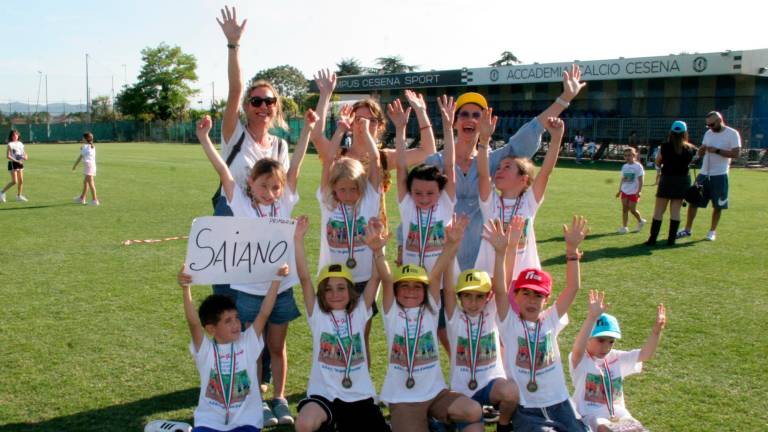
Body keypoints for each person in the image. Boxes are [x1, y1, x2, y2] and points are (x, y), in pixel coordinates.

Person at [196, 108, 313, 426]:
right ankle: (257, 402)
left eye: (275, 187)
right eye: (264, 187)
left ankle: (279, 398)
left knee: (278, 346)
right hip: (248, 291)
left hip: (282, 289)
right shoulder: (242, 203)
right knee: (254, 348)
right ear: (251, 183)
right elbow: (223, 171)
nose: (271, 193)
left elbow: (298, 163)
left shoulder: (285, 200)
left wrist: (307, 131)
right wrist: (205, 138)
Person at [423, 64, 585, 272]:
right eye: (464, 114)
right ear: (454, 122)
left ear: (486, 122)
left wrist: (563, 100)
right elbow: (415, 206)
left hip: (482, 260)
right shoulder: (435, 163)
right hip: (442, 256)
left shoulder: (493, 161)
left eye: (477, 115)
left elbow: (531, 132)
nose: (471, 119)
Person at [216, 7, 294, 421]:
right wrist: (234, 45)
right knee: (235, 306)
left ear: (277, 107)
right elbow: (233, 89)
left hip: (268, 232)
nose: (263, 106)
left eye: (270, 101)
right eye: (257, 101)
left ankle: (267, 382)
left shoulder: (280, 146)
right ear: (248, 106)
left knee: (271, 303)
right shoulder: (235, 134)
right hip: (231, 223)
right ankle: (234, 377)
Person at [377, 215, 484, 432]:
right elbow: (387, 280)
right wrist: (378, 251)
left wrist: (451, 244)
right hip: (403, 398)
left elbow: (435, 277)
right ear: (396, 291)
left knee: (473, 411)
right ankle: (431, 424)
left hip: (436, 393)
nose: (410, 291)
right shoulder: (392, 313)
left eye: (417, 287)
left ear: (424, 292)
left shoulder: (431, 310)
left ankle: (436, 421)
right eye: (404, 286)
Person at [292, 216, 389, 432]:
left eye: (341, 288)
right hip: (324, 394)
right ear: (321, 295)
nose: (335, 294)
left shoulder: (359, 312)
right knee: (305, 424)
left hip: (358, 396)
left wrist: (377, 250)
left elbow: (375, 279)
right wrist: (298, 240)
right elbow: (305, 278)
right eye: (328, 289)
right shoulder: (317, 314)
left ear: (351, 291)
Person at [498, 216, 590, 432]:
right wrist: (509, 248)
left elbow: (573, 288)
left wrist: (571, 251)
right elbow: (500, 287)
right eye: (526, 293)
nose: (531, 300)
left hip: (560, 404)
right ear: (516, 296)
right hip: (527, 410)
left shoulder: (550, 319)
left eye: (538, 296)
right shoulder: (509, 323)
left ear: (546, 300)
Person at [312, 71, 437, 229]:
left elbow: (428, 151)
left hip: (374, 237)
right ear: (350, 123)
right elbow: (316, 135)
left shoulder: (384, 157)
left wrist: (421, 111)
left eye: (372, 120)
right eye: (358, 119)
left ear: (380, 126)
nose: (364, 124)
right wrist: (325, 95)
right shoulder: (337, 155)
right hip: (341, 234)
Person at [176, 263, 286, 432]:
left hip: (246, 423)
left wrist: (276, 280)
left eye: (236, 318)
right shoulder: (206, 350)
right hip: (210, 423)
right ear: (211, 329)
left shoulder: (248, 341)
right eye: (228, 321)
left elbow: (264, 312)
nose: (236, 324)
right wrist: (186, 289)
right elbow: (194, 323)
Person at [443, 216, 527, 432]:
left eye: (480, 297)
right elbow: (449, 287)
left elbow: (502, 287)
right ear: (460, 298)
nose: (473, 303)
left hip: (491, 384)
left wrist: (503, 252)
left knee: (511, 392)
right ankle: (451, 421)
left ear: (487, 298)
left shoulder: (491, 312)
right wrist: (452, 246)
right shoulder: (454, 317)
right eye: (468, 297)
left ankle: (504, 424)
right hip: (463, 390)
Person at [390, 95, 457, 352]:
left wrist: (448, 126)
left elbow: (449, 164)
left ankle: (458, 379)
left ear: (439, 192)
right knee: (412, 335)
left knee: (445, 333)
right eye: (418, 193)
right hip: (411, 284)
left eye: (430, 193)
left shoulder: (445, 203)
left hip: (441, 283)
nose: (424, 198)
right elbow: (401, 166)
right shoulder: (407, 204)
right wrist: (400, 129)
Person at [317, 113, 382, 364]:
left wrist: (365, 134)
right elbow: (328, 161)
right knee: (334, 332)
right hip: (335, 279)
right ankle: (335, 375)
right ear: (334, 188)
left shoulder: (369, 199)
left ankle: (362, 379)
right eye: (342, 189)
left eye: (353, 188)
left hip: (364, 278)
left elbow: (375, 159)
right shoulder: (328, 203)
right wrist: (340, 131)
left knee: (361, 333)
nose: (348, 194)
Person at [475, 111, 565, 289]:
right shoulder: (490, 202)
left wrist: (556, 139)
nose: (499, 171)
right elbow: (484, 175)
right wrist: (484, 141)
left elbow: (545, 172)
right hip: (489, 279)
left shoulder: (529, 202)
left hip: (523, 282)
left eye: (507, 167)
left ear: (524, 179)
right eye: (499, 167)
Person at [569, 291, 666, 431]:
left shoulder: (616, 358)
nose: (606, 346)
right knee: (605, 428)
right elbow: (578, 348)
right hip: (589, 415)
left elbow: (645, 355)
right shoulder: (580, 360)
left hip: (618, 412)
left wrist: (656, 332)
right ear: (588, 338)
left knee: (637, 428)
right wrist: (591, 318)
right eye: (600, 340)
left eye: (611, 341)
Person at [677, 111, 742, 241]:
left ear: (720, 120)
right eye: (708, 125)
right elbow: (702, 150)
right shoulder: (708, 133)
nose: (710, 127)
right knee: (693, 200)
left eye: (712, 124)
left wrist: (717, 151)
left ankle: (712, 231)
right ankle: (687, 229)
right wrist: (700, 152)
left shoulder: (732, 133)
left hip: (720, 174)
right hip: (703, 173)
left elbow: (736, 154)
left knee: (718, 205)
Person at [645, 121, 697, 246]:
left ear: (671, 132)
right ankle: (671, 240)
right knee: (675, 211)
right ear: (685, 133)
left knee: (659, 211)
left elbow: (658, 162)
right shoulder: (691, 148)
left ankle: (652, 239)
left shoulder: (664, 146)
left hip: (667, 179)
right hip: (683, 181)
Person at [615, 148, 646, 234]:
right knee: (624, 209)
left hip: (634, 192)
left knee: (632, 210)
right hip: (625, 191)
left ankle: (641, 221)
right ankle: (625, 227)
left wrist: (639, 191)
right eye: (625, 155)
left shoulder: (638, 166)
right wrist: (619, 190)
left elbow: (641, 180)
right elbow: (623, 179)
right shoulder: (624, 166)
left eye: (629, 155)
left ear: (634, 155)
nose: (627, 157)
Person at [72, 132, 100, 206]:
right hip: (91, 166)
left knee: (91, 183)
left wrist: (75, 165)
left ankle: (95, 200)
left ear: (86, 139)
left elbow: (80, 157)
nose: (82, 139)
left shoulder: (85, 147)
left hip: (89, 166)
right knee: (86, 182)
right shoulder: (92, 146)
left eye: (83, 138)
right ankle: (82, 198)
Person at [1, 129, 28, 203]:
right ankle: (2, 192)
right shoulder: (10, 144)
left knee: (21, 181)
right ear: (11, 136)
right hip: (13, 163)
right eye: (13, 135)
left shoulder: (20, 144)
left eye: (16, 134)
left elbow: (24, 153)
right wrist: (17, 161)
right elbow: (8, 156)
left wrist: (25, 156)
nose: (14, 136)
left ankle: (19, 196)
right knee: (14, 181)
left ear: (18, 135)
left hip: (20, 163)